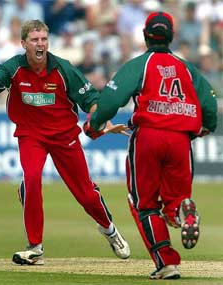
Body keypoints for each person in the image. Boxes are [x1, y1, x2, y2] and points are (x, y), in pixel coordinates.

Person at [0, 19, 130, 265]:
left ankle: (110, 231)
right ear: (23, 43)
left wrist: (103, 122)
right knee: (33, 177)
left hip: (64, 136)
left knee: (86, 195)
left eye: (44, 39)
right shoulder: (14, 68)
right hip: (31, 135)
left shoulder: (62, 68)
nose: (40, 44)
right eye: (35, 40)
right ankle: (35, 247)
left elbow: (91, 98)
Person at [84, 12, 218, 279]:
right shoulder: (187, 68)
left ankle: (166, 262)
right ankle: (184, 213)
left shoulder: (139, 65)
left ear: (145, 36)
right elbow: (210, 104)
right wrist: (207, 126)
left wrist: (94, 124)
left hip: (148, 136)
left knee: (143, 203)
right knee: (174, 202)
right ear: (172, 36)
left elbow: (111, 101)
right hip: (180, 140)